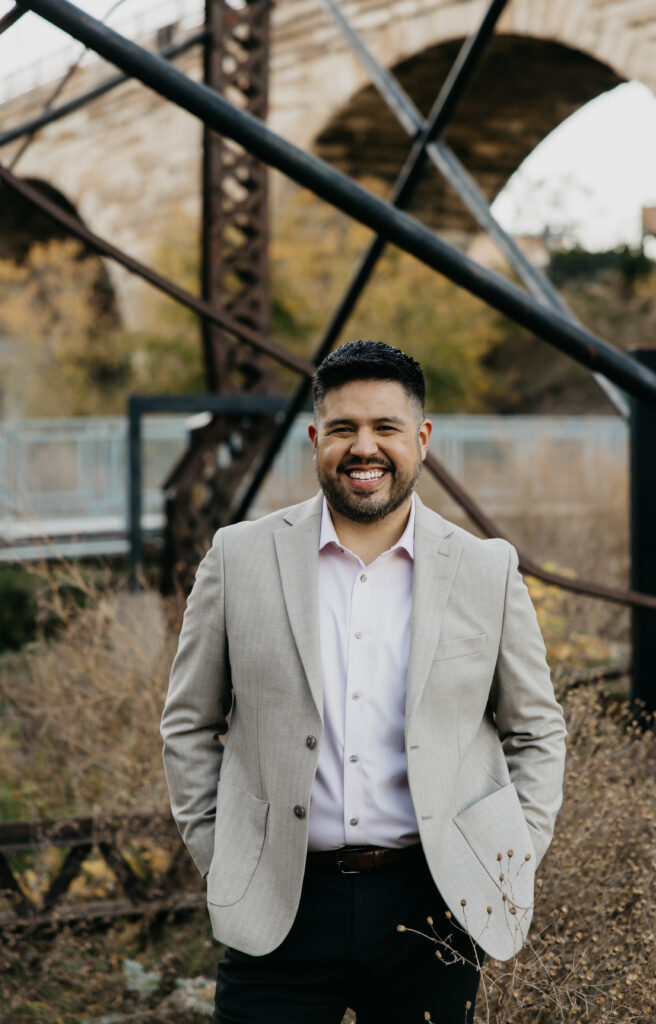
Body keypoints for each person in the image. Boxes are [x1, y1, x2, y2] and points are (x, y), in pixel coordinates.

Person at [161, 340, 566, 1024]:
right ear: (316, 439)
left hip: (432, 903)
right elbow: (188, 724)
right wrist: (225, 853)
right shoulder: (238, 557)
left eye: (386, 428)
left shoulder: (485, 568)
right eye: (344, 429)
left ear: (422, 439)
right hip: (279, 903)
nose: (364, 448)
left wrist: (508, 854)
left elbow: (536, 729)